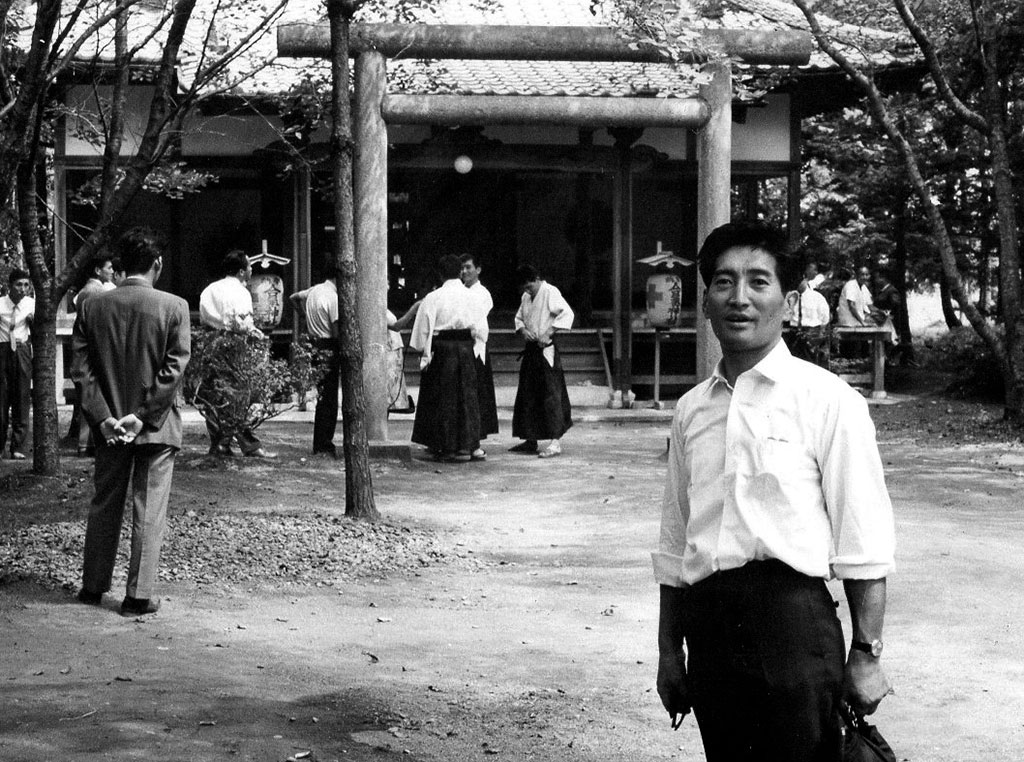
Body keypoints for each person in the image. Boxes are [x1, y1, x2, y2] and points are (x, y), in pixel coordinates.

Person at [653, 220, 895, 761]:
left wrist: (866, 652)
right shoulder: (692, 409)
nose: (739, 298)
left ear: (787, 302)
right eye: (723, 282)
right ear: (706, 300)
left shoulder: (828, 401)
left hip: (792, 629)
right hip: (709, 628)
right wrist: (670, 651)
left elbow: (865, 540)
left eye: (758, 282)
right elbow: (676, 539)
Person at [71, 228, 191, 616]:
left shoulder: (92, 307)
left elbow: (82, 372)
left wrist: (104, 419)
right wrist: (142, 417)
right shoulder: (174, 306)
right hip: (155, 426)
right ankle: (138, 595)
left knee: (104, 502)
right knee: (149, 506)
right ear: (157, 263)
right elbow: (174, 370)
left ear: (121, 264)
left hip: (109, 428)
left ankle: (92, 586)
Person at [198, 250, 275, 458]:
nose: (251, 270)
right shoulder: (241, 293)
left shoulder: (209, 290)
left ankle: (220, 443)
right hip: (234, 343)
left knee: (215, 394)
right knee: (239, 394)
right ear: (242, 271)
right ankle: (244, 443)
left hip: (211, 341)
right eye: (249, 267)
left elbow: (205, 316)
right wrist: (255, 334)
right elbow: (241, 323)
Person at [409, 254, 482, 462]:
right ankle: (466, 447)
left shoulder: (433, 298)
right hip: (466, 348)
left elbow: (421, 334)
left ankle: (448, 447)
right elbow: (480, 328)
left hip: (443, 349)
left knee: (445, 398)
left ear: (440, 274)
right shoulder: (472, 296)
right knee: (467, 397)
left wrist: (424, 351)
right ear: (460, 272)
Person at [508, 265, 574, 459]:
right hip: (531, 351)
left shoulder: (550, 291)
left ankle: (555, 441)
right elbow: (519, 318)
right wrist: (523, 330)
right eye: (524, 287)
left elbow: (567, 313)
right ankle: (530, 439)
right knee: (528, 394)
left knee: (550, 394)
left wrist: (549, 332)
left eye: (529, 285)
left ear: (537, 278)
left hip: (546, 350)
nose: (527, 289)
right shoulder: (526, 297)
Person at [68, 254, 118, 456]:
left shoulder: (87, 290)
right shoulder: (95, 292)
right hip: (94, 346)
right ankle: (87, 444)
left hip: (89, 344)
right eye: (109, 268)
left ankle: (86, 443)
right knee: (94, 395)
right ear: (98, 271)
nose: (112, 272)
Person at [290, 272, 339, 456]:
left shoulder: (314, 290)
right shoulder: (333, 297)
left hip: (315, 342)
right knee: (329, 399)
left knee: (324, 396)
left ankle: (322, 442)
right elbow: (336, 331)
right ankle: (324, 444)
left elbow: (293, 297)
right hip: (328, 344)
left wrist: (304, 316)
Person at [460, 253, 498, 448]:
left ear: (478, 269)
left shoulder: (482, 293)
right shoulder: (461, 291)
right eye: (462, 268)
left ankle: (475, 440)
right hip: (464, 346)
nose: (464, 271)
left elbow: (474, 320)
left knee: (476, 393)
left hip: (476, 346)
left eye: (468, 267)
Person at [0, 269, 34, 460]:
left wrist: (33, 321)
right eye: (18, 285)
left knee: (22, 398)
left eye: (26, 285)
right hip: (2, 350)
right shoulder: (0, 304)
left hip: (21, 350)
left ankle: (18, 446)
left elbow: (39, 328)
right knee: (2, 400)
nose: (23, 289)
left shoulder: (31, 304)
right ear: (9, 286)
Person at [784, 272, 832, 368]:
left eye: (800, 281)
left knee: (811, 365)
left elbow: (825, 317)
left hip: (811, 335)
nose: (798, 284)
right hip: (794, 334)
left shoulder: (817, 297)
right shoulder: (790, 298)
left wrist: (819, 333)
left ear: (805, 280)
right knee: (794, 365)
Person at [386, 301, 420, 415]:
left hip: (393, 349)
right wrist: (414, 309)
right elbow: (397, 326)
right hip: (389, 351)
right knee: (388, 394)